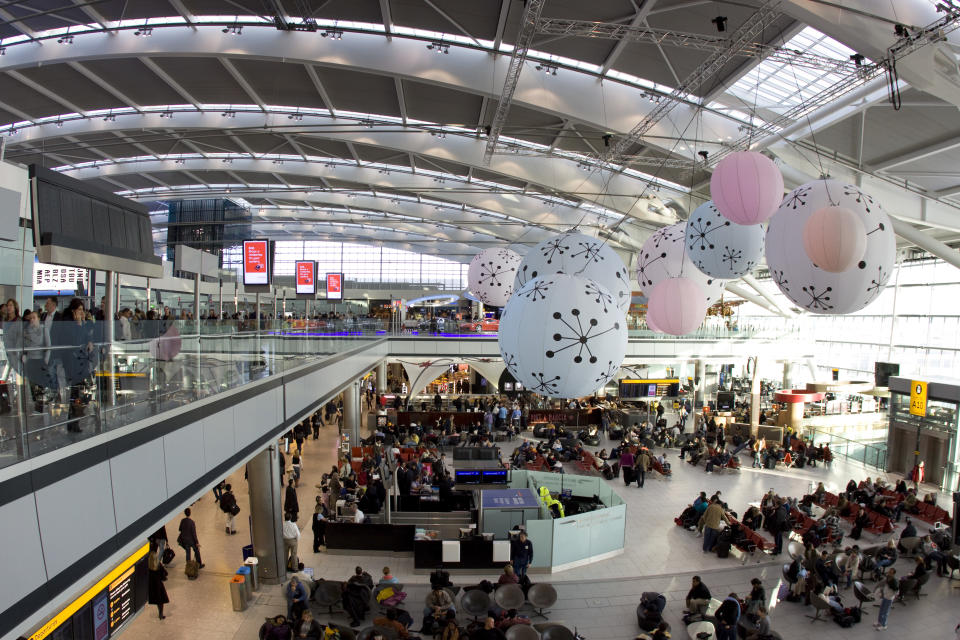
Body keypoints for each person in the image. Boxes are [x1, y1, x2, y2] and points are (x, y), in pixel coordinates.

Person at [147, 541, 169, 619]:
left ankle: (160, 613)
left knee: (156, 599)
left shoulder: (148, 567)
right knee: (160, 601)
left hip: (151, 585)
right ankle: (160, 614)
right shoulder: (158, 566)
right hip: (158, 585)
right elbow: (165, 574)